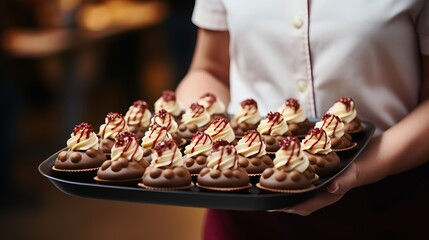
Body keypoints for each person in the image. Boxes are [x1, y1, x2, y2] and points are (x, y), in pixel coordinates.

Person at [176, 1, 429, 239]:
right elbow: (209, 70)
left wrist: (361, 169)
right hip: (243, 205)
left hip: (386, 202)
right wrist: (202, 139)